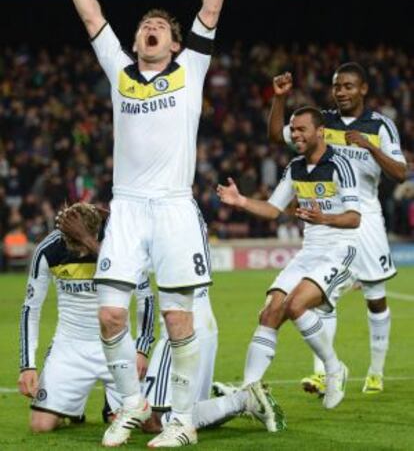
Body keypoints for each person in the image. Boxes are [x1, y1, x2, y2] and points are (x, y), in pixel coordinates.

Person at [55, 0, 230, 448]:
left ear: (175, 44)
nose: (150, 27)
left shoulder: (190, 70)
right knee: (110, 314)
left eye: (160, 26)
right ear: (136, 41)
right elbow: (90, 13)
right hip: (127, 207)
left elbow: (212, 7)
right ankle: (131, 406)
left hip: (174, 208)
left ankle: (180, 421)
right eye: (145, 25)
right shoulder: (120, 71)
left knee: (180, 322)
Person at [59, 205, 285, 436]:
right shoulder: (180, 210)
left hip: (182, 329)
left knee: (156, 421)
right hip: (198, 322)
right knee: (181, 412)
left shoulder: (167, 218)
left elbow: (126, 268)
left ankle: (244, 400)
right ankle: (242, 400)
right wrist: (112, 213)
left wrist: (86, 238)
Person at [268, 65, 407, 394]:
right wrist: (279, 99)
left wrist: (369, 147)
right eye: (336, 87)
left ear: (363, 90)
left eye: (348, 86)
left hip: (367, 217)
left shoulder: (380, 125)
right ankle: (323, 372)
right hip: (329, 218)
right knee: (320, 296)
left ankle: (375, 371)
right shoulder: (322, 122)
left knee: (374, 296)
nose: (341, 92)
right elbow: (277, 135)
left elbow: (400, 173)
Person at [217, 107, 361, 410]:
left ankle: (334, 369)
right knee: (269, 313)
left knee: (296, 305)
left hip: (340, 249)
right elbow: (273, 209)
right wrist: (240, 200)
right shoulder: (295, 167)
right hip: (309, 252)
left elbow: (354, 218)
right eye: (293, 130)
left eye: (301, 130)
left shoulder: (340, 165)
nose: (295, 135)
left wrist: (325, 218)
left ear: (319, 131)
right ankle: (247, 390)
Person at [17, 203, 153, 432]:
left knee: (148, 423)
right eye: (73, 243)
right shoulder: (48, 250)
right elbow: (31, 308)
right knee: (40, 426)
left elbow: (145, 299)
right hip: (69, 347)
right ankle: (73, 408)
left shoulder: (120, 244)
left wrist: (141, 350)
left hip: (117, 347)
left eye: (81, 243)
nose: (79, 252)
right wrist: (27, 366)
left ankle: (110, 407)